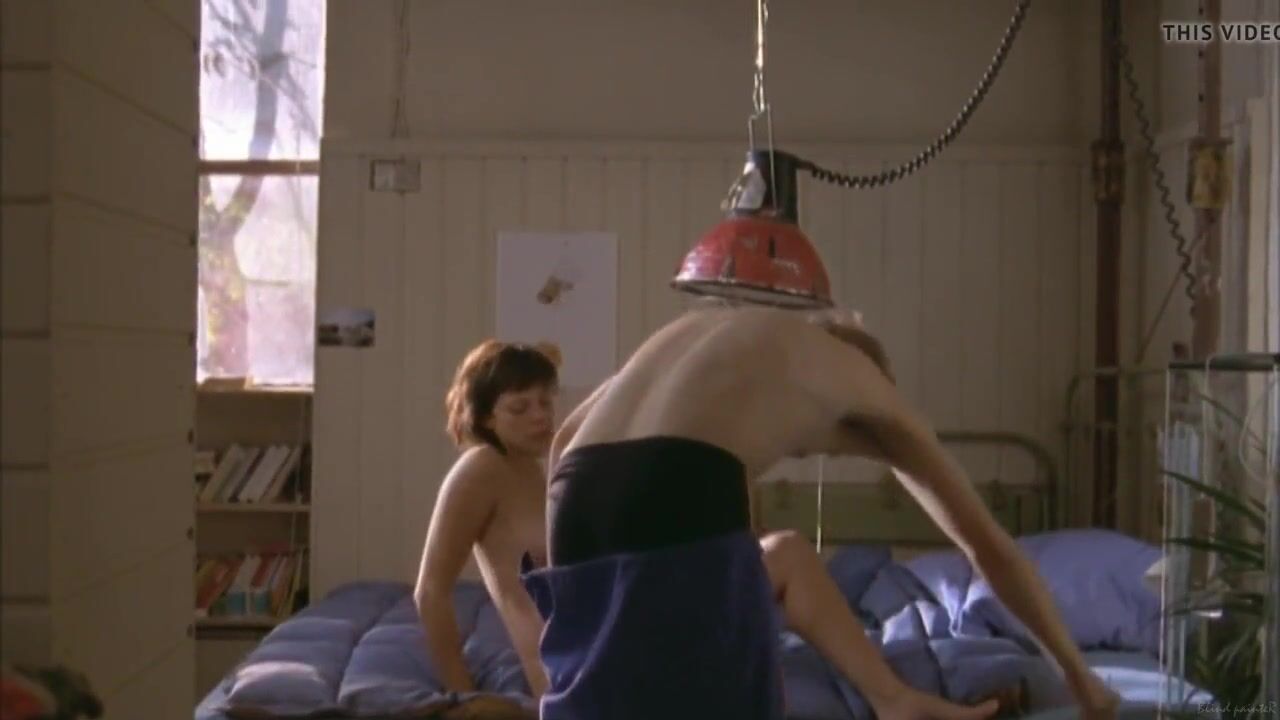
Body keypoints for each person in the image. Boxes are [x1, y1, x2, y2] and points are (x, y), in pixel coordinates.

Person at [522, 303, 1122, 720]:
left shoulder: (711, 333)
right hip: (681, 476)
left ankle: (891, 700)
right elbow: (988, 546)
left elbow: (567, 437)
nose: (816, 452)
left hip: (574, 487)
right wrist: (1080, 679)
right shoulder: (862, 377)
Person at [412, 339, 560, 699]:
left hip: (577, 648)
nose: (540, 415)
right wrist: (461, 693)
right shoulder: (481, 468)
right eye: (519, 408)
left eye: (545, 402)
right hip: (553, 670)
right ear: (486, 418)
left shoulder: (532, 468)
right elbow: (430, 591)